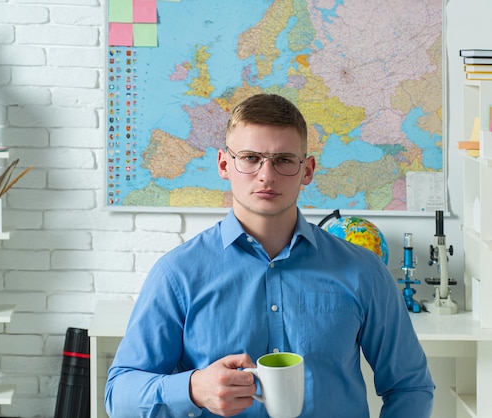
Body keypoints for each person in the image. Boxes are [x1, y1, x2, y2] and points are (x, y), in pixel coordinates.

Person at [104, 94, 434, 417]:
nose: (266, 175)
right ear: (224, 164)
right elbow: (120, 395)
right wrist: (193, 389)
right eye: (250, 158)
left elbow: (410, 386)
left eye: (284, 160)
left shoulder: (363, 271)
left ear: (307, 170)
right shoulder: (177, 274)